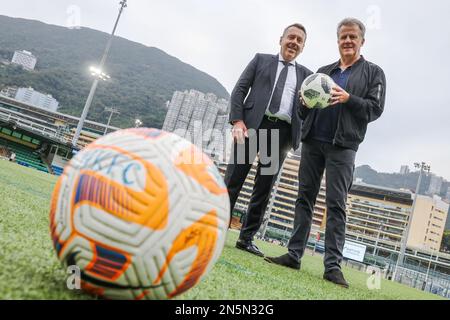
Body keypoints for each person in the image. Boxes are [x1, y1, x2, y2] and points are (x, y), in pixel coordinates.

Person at [265, 18, 386, 288]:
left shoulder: (373, 73)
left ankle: (332, 267)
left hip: (343, 147)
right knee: (303, 199)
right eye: (343, 37)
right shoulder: (322, 72)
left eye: (353, 37)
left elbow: (374, 110)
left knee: (336, 206)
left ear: (362, 41)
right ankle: (294, 255)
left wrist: (348, 99)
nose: (347, 41)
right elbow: (303, 110)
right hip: (313, 142)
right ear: (338, 40)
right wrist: (303, 104)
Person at [225, 23, 313, 257]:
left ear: (303, 47)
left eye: (299, 40)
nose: (294, 42)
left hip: (280, 134)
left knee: (264, 189)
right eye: (291, 37)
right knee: (233, 180)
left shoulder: (306, 76)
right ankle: (215, 227)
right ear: (281, 39)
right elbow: (239, 90)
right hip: (251, 126)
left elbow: (307, 111)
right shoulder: (260, 60)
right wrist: (237, 121)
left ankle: (246, 238)